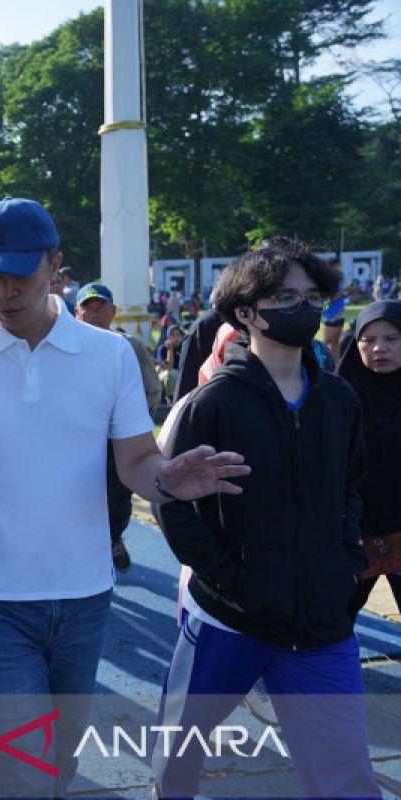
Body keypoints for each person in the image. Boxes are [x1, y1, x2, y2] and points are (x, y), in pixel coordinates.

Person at [0, 197, 247, 797]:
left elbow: (137, 462)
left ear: (55, 266)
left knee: (58, 762)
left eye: (18, 274)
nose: (3, 292)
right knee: (22, 767)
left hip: (84, 596)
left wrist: (169, 481)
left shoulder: (109, 354)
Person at [153, 237, 379, 799]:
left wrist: (346, 564)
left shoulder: (339, 401)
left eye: (311, 296)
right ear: (245, 312)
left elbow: (352, 489)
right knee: (177, 764)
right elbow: (171, 504)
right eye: (285, 297)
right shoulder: (211, 405)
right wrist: (230, 577)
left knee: (349, 779)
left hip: (322, 626)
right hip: (228, 620)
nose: (302, 307)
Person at [75, 282, 162, 573]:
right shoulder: (65, 348)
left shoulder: (129, 346)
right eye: (88, 309)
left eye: (101, 308)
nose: (95, 315)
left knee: (118, 498)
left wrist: (133, 425)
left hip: (117, 441)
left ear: (113, 311)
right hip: (78, 439)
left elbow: (152, 389)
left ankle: (112, 538)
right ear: (77, 313)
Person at [342, 300, 401, 615]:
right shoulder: (336, 397)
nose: (380, 348)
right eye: (369, 340)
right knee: (333, 621)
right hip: (353, 531)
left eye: (392, 339)